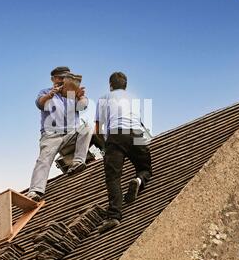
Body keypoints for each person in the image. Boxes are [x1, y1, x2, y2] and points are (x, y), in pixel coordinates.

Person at [95, 72, 152, 233]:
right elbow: (140, 122)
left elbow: (97, 129)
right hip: (137, 133)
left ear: (110, 85)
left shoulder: (104, 98)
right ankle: (139, 180)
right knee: (145, 167)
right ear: (125, 86)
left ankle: (114, 216)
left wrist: (105, 147)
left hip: (115, 134)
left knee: (113, 177)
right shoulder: (134, 98)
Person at [26, 66, 93, 201]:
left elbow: (83, 107)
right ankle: (35, 191)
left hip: (70, 133)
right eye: (60, 78)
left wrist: (82, 97)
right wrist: (50, 94)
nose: (62, 80)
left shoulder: (71, 94)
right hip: (51, 136)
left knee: (86, 127)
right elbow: (40, 104)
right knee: (44, 160)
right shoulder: (45, 92)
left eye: (65, 78)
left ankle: (78, 162)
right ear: (53, 79)